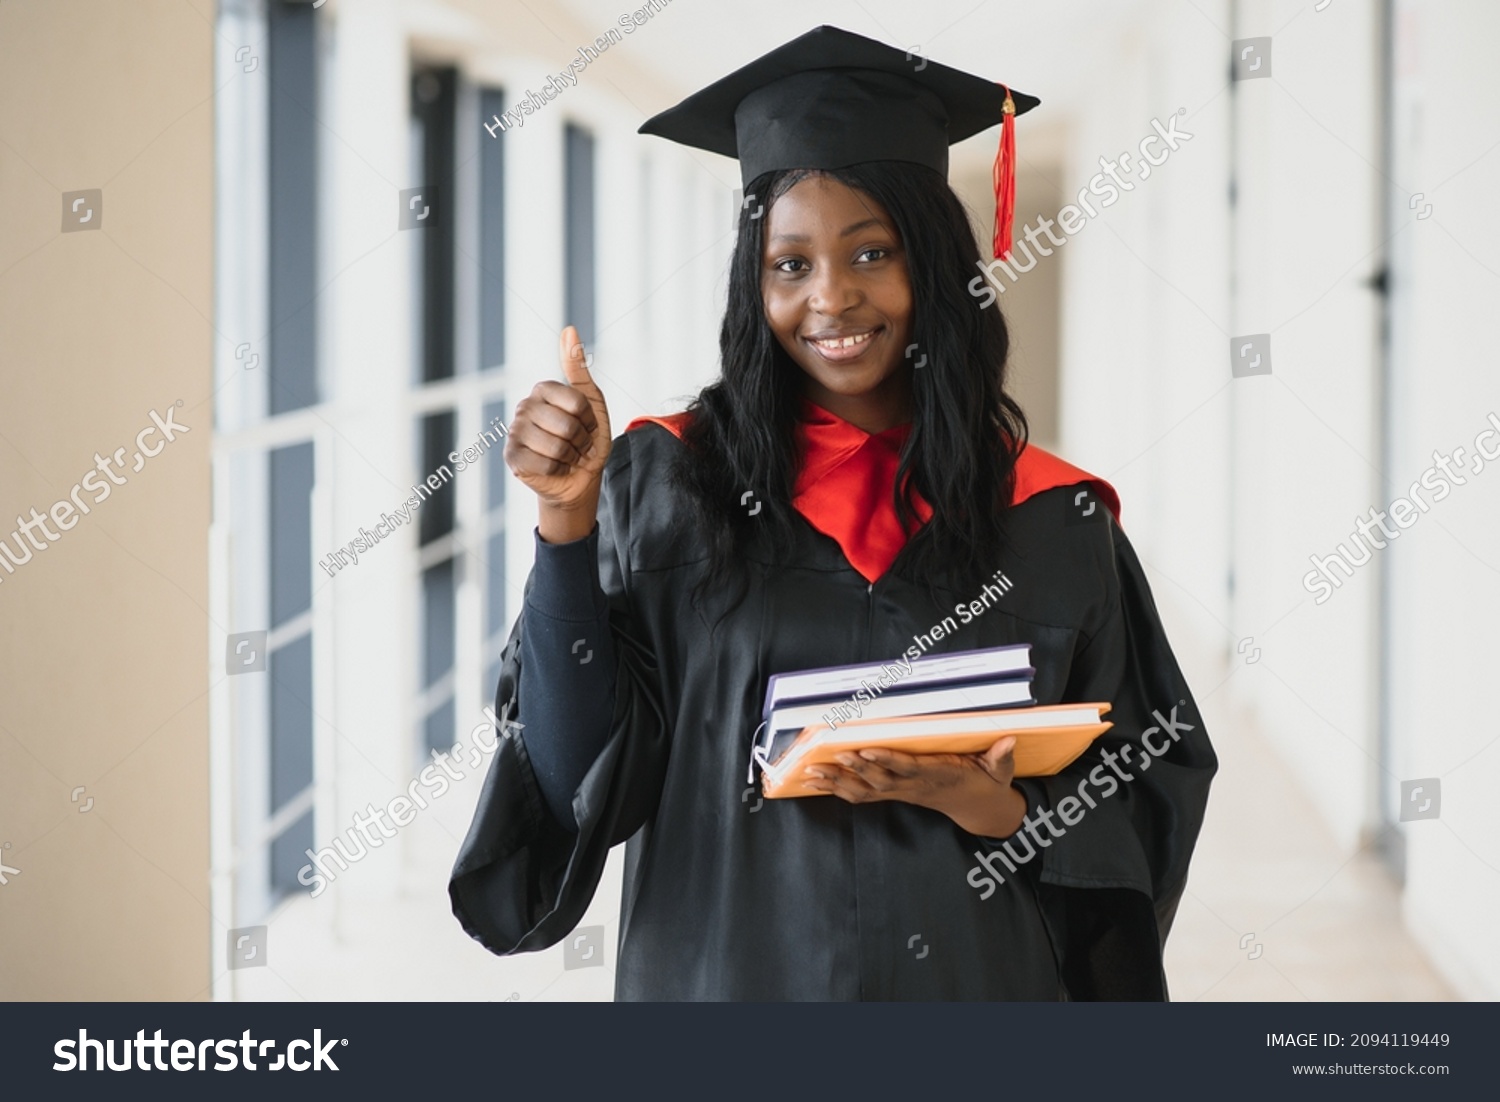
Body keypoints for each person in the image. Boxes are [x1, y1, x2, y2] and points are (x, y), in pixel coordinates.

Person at [450, 25, 1216, 1000]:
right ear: (752, 280)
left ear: (934, 267)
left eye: (872, 252)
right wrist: (567, 525)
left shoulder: (1054, 520)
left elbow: (1139, 804)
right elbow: (575, 772)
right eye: (790, 264)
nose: (832, 297)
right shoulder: (665, 486)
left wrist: (995, 804)